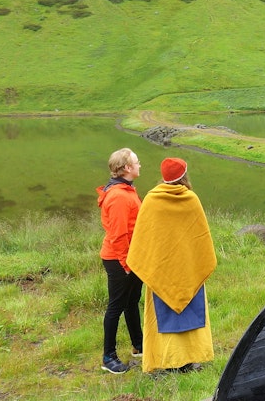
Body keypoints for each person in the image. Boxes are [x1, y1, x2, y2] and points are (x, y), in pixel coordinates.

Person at [127, 157, 218, 374]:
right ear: (185, 176)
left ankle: (165, 360)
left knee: (162, 316)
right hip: (188, 270)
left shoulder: (151, 200)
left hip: (161, 272)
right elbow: (201, 239)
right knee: (191, 311)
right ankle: (191, 358)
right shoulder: (191, 198)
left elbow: (144, 239)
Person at [96, 148, 144, 374]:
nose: (139, 164)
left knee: (132, 301)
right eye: (136, 162)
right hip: (119, 260)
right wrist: (126, 265)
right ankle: (108, 357)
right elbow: (118, 235)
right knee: (116, 307)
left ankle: (139, 345)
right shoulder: (118, 197)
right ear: (126, 168)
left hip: (130, 258)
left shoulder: (126, 190)